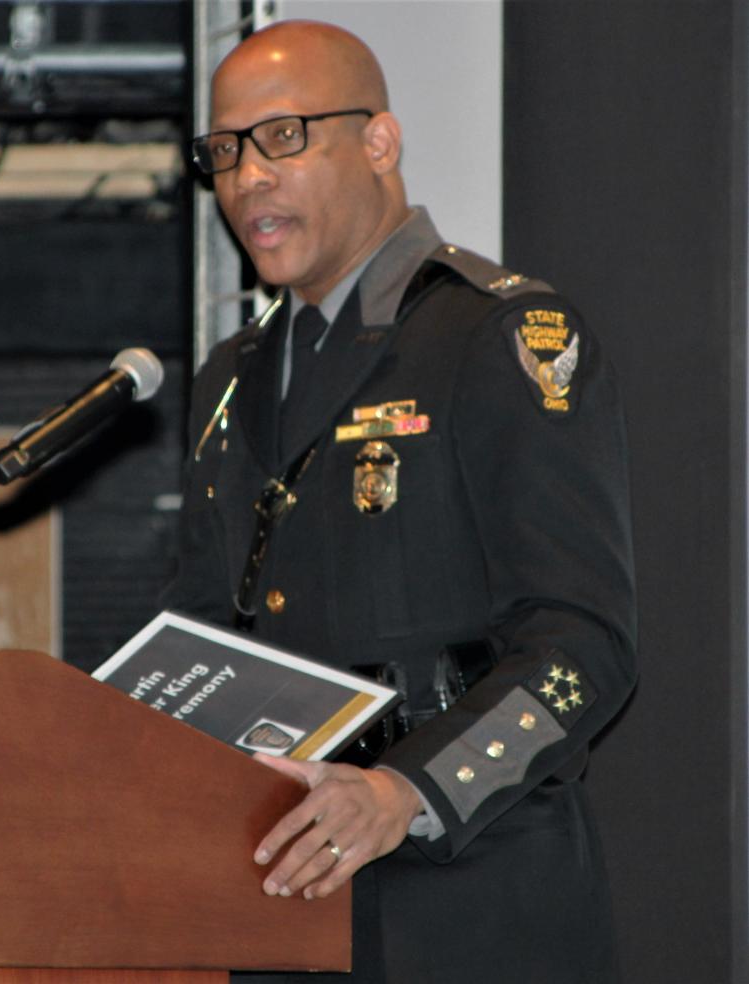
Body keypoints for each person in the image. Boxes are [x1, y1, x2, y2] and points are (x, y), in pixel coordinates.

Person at [165, 19, 637, 983]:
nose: (247, 177)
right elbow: (206, 641)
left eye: (283, 137)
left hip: (473, 903)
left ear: (379, 143)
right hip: (276, 904)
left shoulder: (495, 337)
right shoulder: (228, 376)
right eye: (224, 152)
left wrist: (404, 790)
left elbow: (583, 646)